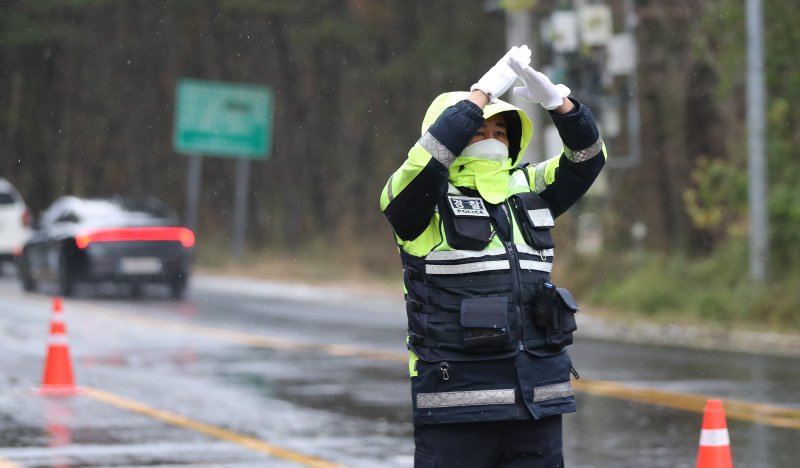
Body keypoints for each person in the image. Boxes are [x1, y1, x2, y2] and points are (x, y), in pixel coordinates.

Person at [379, 45, 606, 467]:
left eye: (501, 133)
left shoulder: (527, 188)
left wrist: (562, 105)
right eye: (479, 131)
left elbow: (587, 159)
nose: (492, 139)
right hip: (456, 405)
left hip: (538, 400)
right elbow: (424, 164)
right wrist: (479, 95)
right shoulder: (420, 200)